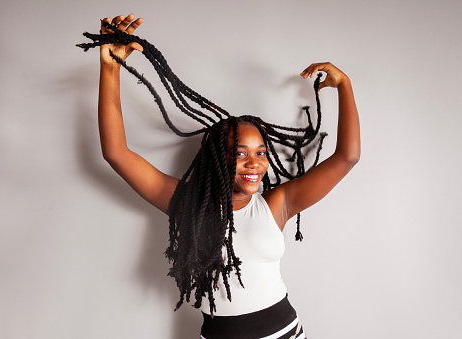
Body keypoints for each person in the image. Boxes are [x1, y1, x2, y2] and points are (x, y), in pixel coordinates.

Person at [94, 13, 360, 339]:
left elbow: (347, 157)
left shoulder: (278, 203)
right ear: (218, 158)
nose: (255, 164)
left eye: (261, 153)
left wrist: (345, 85)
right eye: (240, 154)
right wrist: (110, 69)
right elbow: (117, 154)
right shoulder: (188, 204)